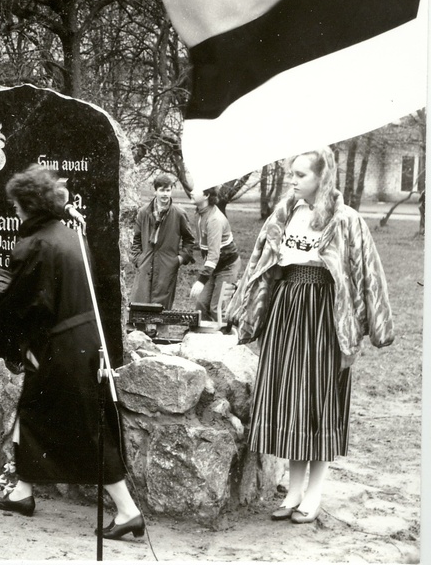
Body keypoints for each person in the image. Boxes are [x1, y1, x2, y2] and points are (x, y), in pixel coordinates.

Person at [226, 147, 393, 525]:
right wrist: (244, 310)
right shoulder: (285, 214)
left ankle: (313, 496)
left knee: (317, 405)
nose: (293, 180)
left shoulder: (345, 220)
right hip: (286, 314)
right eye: (292, 174)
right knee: (290, 403)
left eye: (301, 174)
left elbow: (369, 273)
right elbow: (259, 264)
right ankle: (293, 491)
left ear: (322, 177)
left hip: (325, 318)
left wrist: (372, 328)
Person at [0, 165, 144, 539]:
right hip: (81, 339)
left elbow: (24, 305)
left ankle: (128, 510)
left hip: (58, 345)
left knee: (84, 427)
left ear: (29, 204)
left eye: (17, 204)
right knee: (32, 411)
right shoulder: (70, 235)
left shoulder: (33, 245)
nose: (14, 210)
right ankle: (22, 491)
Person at [130, 172, 195, 313]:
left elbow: (189, 240)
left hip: (167, 267)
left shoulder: (179, 214)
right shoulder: (143, 212)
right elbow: (136, 239)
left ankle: (158, 333)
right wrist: (138, 259)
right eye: (162, 190)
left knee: (162, 311)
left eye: (168, 190)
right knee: (139, 309)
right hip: (145, 265)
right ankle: (141, 333)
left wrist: (179, 259)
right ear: (155, 191)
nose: (165, 194)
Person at [189, 184, 240, 322]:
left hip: (226, 267)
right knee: (201, 305)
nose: (191, 191)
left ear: (206, 195)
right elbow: (204, 243)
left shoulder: (214, 220)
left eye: (196, 189)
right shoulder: (199, 212)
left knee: (217, 309)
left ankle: (230, 338)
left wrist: (201, 281)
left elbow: (213, 256)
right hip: (213, 266)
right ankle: (205, 337)